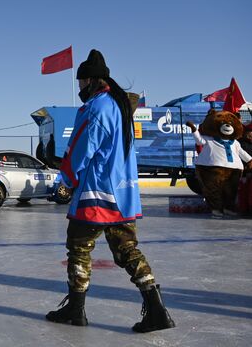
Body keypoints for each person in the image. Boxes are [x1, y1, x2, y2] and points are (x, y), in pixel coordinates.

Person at [45, 50, 175, 333]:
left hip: (96, 194)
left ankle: (76, 309)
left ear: (91, 80)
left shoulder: (97, 107)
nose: (79, 89)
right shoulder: (119, 106)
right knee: (128, 250)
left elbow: (81, 149)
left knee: (79, 248)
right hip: (122, 193)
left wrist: (65, 179)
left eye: (80, 84)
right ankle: (156, 309)